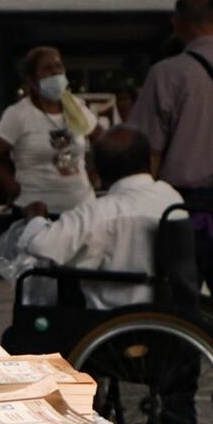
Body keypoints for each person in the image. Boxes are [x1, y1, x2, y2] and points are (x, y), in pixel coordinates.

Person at [14, 126, 183, 310]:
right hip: (174, 312)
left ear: (98, 172)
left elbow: (42, 246)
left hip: (113, 317)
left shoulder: (99, 213)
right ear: (150, 160)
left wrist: (36, 217)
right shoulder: (171, 197)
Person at [127, 0, 213, 295]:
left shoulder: (167, 74)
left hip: (187, 206)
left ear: (176, 23)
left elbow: (147, 151)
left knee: (182, 297)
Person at [0, 46, 102, 216]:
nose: (55, 73)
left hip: (81, 209)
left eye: (59, 67)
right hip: (37, 212)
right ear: (32, 79)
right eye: (47, 69)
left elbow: (103, 140)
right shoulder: (19, 114)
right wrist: (12, 188)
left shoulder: (75, 106)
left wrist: (95, 176)